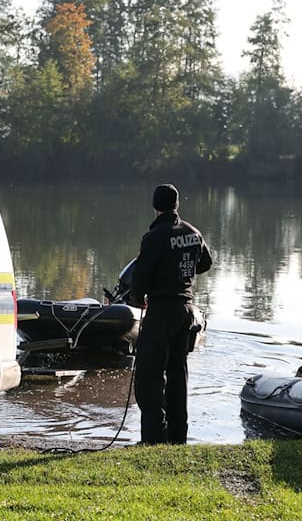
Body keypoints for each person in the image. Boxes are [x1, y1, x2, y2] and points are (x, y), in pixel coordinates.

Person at [131, 184, 212, 445]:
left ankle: (153, 438)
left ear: (156, 206)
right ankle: (177, 438)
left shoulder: (154, 237)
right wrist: (182, 272)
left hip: (162, 311)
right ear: (176, 205)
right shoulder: (193, 232)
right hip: (186, 312)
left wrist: (138, 298)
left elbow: (140, 277)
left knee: (149, 374)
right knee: (178, 374)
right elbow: (206, 263)